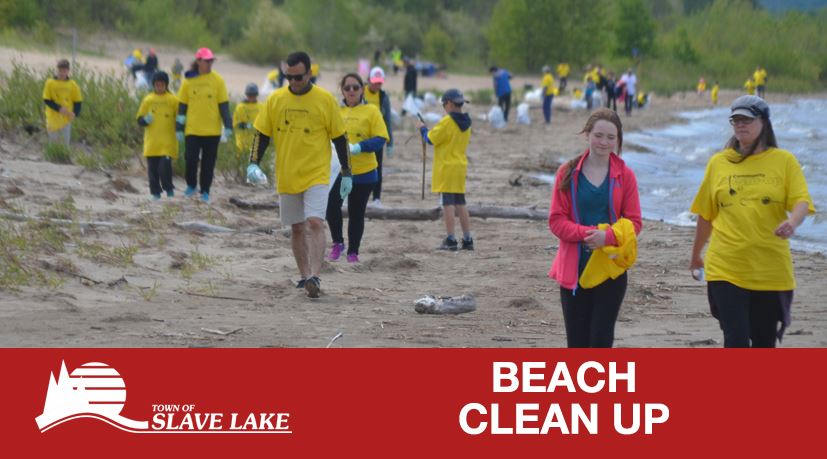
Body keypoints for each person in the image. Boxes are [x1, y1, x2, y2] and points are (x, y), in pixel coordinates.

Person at [689, 95, 814, 348]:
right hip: (726, 266)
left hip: (770, 268)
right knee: (735, 340)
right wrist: (695, 255)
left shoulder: (784, 161)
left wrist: (793, 221)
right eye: (735, 120)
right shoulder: (719, 163)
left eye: (747, 119)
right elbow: (706, 215)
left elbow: (801, 201)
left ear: (764, 123)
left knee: (764, 343)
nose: (740, 125)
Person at [247, 51, 352, 298]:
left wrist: (347, 172)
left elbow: (340, 137)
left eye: (298, 77)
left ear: (309, 73)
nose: (293, 82)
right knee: (296, 228)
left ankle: (316, 275)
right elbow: (261, 134)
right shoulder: (275, 100)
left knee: (315, 222)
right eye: (288, 77)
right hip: (287, 173)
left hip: (316, 173)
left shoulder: (324, 100)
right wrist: (253, 163)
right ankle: (304, 276)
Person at [548, 108, 642, 348]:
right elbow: (556, 220)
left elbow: (634, 221)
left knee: (601, 340)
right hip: (574, 269)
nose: (604, 142)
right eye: (599, 135)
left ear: (618, 140)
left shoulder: (626, 175)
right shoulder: (567, 172)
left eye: (611, 137)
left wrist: (608, 237)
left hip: (611, 269)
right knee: (577, 343)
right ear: (587, 134)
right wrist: (588, 235)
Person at [325, 73, 389, 263]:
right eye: (347, 88)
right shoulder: (336, 111)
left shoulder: (372, 111)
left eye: (355, 87)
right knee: (331, 206)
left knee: (356, 212)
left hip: (364, 172)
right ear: (342, 90)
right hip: (339, 171)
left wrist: (360, 147)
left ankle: (353, 252)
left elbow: (381, 138)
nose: (351, 91)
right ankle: (338, 243)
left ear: (362, 88)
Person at [417, 89, 473, 251]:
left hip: (446, 167)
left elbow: (430, 139)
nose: (444, 108)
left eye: (443, 105)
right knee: (461, 203)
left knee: (447, 204)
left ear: (449, 103)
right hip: (460, 167)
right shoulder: (467, 122)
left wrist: (422, 129)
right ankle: (468, 239)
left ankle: (451, 239)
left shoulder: (447, 121)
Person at [176, 47, 233, 202]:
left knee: (208, 164)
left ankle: (205, 190)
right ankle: (191, 185)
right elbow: (182, 106)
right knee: (190, 159)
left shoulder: (218, 81)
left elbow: (224, 106)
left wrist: (228, 126)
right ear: (198, 61)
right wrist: (179, 127)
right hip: (192, 129)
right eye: (207, 61)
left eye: (211, 61)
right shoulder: (188, 81)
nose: (209, 63)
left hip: (212, 131)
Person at [136, 71, 178, 200]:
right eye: (157, 85)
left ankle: (169, 189)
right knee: (152, 170)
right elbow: (139, 119)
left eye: (162, 85)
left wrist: (181, 128)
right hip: (152, 142)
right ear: (153, 85)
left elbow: (180, 117)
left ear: (166, 85)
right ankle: (155, 193)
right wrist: (145, 120)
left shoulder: (173, 100)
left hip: (167, 141)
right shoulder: (148, 99)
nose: (159, 87)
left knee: (164, 168)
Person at [364, 66, 394, 207]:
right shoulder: (359, 91)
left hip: (377, 138)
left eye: (379, 83)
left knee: (377, 168)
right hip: (361, 136)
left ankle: (376, 198)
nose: (377, 85)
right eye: (375, 82)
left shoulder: (383, 96)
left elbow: (387, 120)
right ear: (369, 80)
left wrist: (390, 142)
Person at [42, 59, 82, 146]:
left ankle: (63, 158)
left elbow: (78, 101)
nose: (62, 73)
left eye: (64, 71)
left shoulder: (72, 85)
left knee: (64, 143)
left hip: (66, 119)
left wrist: (75, 113)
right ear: (57, 70)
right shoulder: (50, 83)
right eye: (60, 71)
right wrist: (58, 108)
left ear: (68, 71)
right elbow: (46, 99)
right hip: (52, 117)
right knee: (53, 142)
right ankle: (51, 157)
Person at [233, 83, 263, 158]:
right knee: (241, 159)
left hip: (256, 140)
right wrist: (246, 125)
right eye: (250, 95)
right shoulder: (240, 107)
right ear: (247, 95)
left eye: (253, 95)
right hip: (242, 140)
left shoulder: (261, 107)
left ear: (256, 95)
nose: (251, 97)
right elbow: (235, 124)